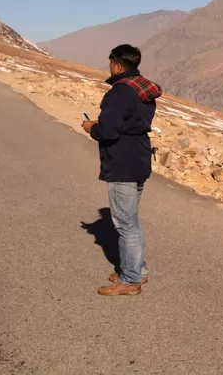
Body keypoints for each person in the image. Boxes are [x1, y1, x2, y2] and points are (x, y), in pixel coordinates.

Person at [81, 44, 162, 296]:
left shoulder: (119, 92)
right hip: (138, 158)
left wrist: (90, 127)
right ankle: (137, 269)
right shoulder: (143, 90)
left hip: (121, 162)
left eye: (110, 62)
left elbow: (108, 131)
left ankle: (130, 280)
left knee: (126, 224)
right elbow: (131, 122)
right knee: (131, 221)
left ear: (117, 64)